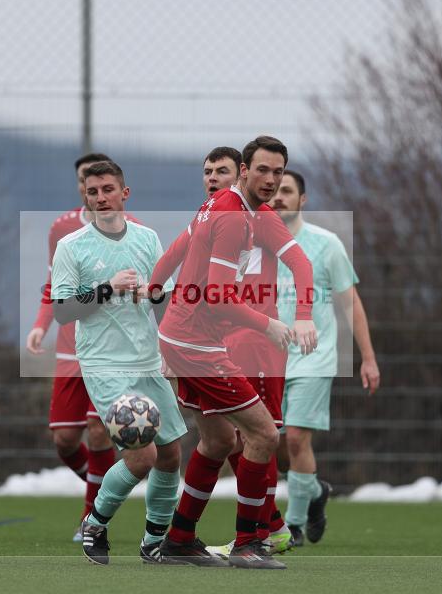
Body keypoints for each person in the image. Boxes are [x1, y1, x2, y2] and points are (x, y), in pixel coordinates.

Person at [151, 136, 316, 570]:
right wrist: (273, 324)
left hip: (183, 336)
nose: (271, 179)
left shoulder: (227, 208)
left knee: (219, 439)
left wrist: (153, 289)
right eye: (262, 170)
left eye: (278, 172)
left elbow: (181, 256)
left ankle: (180, 539)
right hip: (199, 344)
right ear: (244, 170)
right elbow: (220, 297)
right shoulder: (231, 217)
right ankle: (249, 544)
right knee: (264, 435)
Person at [51, 160, 188, 566]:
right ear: (85, 197)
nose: (100, 197)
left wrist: (155, 295)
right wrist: (108, 288)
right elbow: (61, 311)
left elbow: (166, 297)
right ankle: (95, 523)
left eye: (107, 189)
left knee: (170, 454)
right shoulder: (72, 246)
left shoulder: (146, 239)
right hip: (104, 364)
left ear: (124, 194)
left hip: (147, 360)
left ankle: (153, 541)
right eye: (92, 192)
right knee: (141, 456)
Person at [271, 169, 380, 546]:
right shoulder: (252, 247)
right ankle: (315, 492)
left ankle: (295, 524)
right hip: (266, 361)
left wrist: (368, 357)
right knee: (273, 445)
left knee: (298, 440)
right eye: (274, 191)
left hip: (312, 358)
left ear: (302, 200)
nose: (279, 196)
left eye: (287, 191)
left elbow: (349, 302)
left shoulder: (326, 243)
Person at [25, 153, 117, 541]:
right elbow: (53, 286)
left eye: (100, 183)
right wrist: (39, 326)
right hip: (69, 351)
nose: (90, 188)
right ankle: (103, 487)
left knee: (98, 431)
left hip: (109, 351)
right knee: (64, 439)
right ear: (80, 184)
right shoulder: (62, 229)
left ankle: (92, 517)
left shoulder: (136, 232)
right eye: (85, 181)